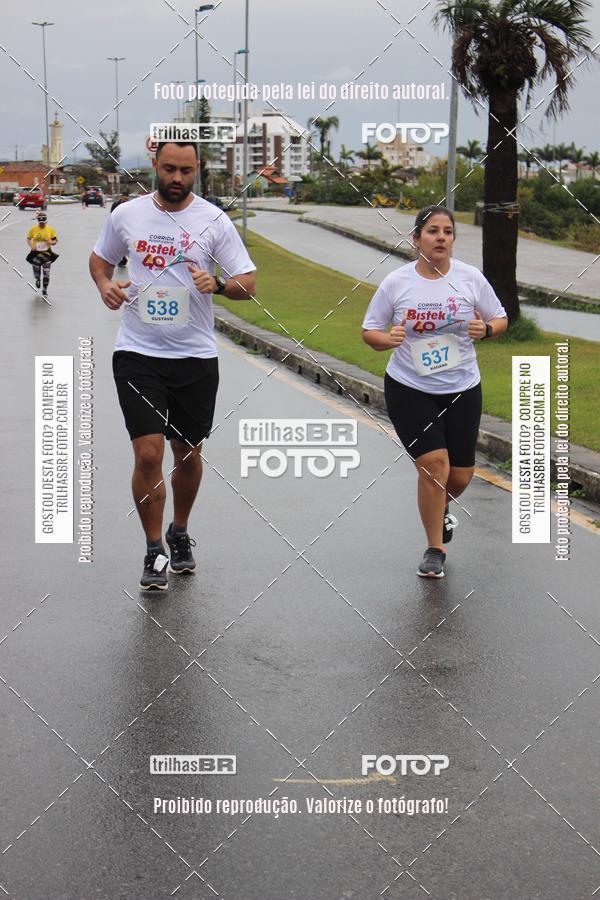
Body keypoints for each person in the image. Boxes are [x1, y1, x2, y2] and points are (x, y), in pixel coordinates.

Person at [89, 141, 256, 591]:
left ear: (197, 169)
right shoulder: (127, 214)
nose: (177, 178)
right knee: (147, 453)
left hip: (195, 357)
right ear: (155, 168)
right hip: (137, 353)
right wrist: (105, 284)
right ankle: (152, 550)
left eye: (185, 170)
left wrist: (218, 284)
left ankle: (179, 531)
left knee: (187, 453)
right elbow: (100, 259)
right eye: (168, 169)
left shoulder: (214, 221)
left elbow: (248, 282)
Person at [362, 205, 507, 578]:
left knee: (458, 477)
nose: (441, 237)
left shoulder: (470, 278)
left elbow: (500, 316)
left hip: (462, 388)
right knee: (433, 466)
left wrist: (486, 330)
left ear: (453, 239)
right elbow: (370, 331)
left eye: (447, 231)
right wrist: (387, 339)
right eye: (432, 231)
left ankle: (440, 505)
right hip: (410, 387)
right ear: (416, 239)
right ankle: (434, 548)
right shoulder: (397, 282)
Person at [26, 211, 59, 298]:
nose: (42, 225)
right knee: (36, 270)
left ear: (46, 221)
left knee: (46, 273)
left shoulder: (50, 230)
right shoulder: (33, 229)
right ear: (38, 221)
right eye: (40, 223)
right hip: (36, 253)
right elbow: (29, 238)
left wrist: (51, 242)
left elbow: (55, 241)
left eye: (43, 223)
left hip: (47, 254)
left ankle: (44, 290)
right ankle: (37, 279)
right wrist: (30, 245)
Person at [110, 190, 130, 267]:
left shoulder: (130, 205)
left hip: (127, 226)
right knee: (118, 243)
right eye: (125, 198)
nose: (126, 199)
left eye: (127, 198)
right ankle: (122, 259)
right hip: (117, 226)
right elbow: (112, 214)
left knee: (125, 243)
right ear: (122, 197)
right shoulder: (115, 204)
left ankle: (123, 259)